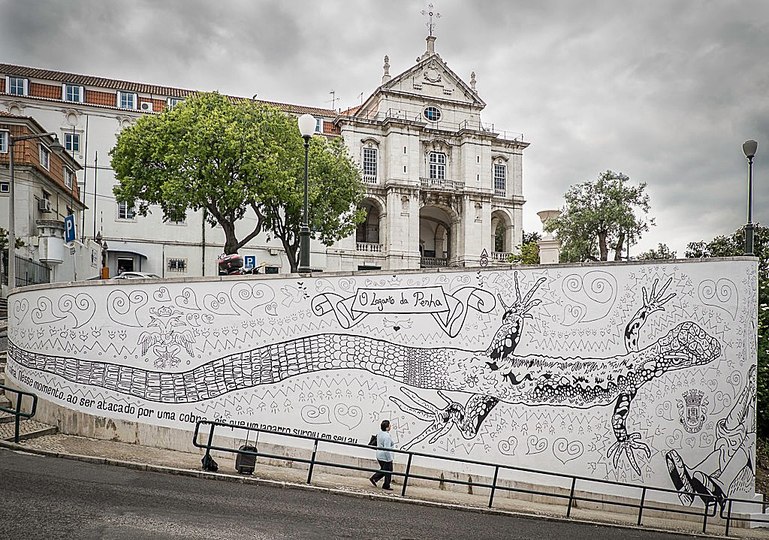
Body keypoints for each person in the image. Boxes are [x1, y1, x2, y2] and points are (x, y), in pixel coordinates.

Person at [369, 419, 394, 491]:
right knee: (388, 471)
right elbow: (387, 448)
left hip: (379, 455)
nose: (390, 426)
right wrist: (389, 458)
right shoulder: (387, 437)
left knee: (384, 470)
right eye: (389, 425)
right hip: (385, 456)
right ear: (387, 427)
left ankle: (375, 478)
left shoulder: (380, 433)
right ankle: (385, 485)